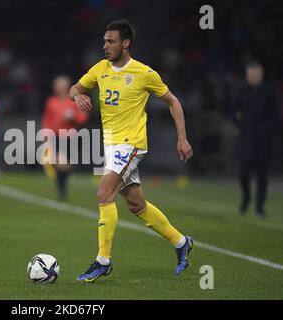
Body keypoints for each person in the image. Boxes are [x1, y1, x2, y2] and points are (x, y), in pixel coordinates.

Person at [68, 19, 194, 282]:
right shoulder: (100, 69)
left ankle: (103, 261)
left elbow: (173, 102)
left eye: (110, 41)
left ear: (125, 44)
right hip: (111, 145)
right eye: (104, 40)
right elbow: (75, 89)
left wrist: (182, 138)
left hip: (131, 144)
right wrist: (77, 95)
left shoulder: (144, 73)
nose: (105, 45)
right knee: (137, 205)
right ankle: (181, 242)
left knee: (104, 193)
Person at [233, 61, 277, 218]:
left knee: (262, 176)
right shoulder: (242, 91)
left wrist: (266, 129)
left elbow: (274, 114)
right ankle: (246, 197)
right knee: (243, 173)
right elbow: (234, 111)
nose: (253, 77)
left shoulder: (268, 92)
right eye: (250, 74)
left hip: (263, 143)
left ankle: (259, 207)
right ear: (247, 75)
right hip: (246, 141)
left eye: (256, 74)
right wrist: (240, 126)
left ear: (261, 75)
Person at [41, 75, 89, 200]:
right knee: (57, 162)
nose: (57, 88)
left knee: (63, 163)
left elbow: (83, 117)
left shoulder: (74, 101)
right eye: (56, 86)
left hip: (71, 137)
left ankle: (62, 187)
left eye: (59, 86)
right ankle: (62, 188)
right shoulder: (51, 102)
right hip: (56, 136)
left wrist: (73, 116)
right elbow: (47, 119)